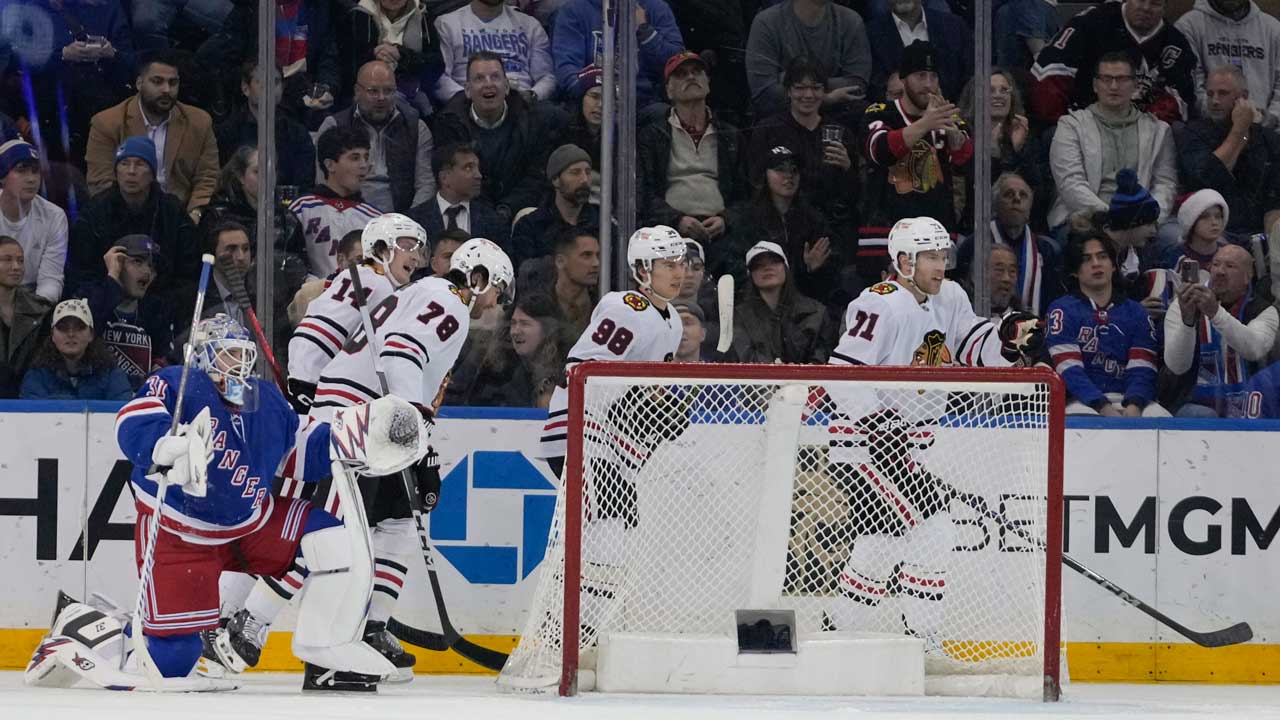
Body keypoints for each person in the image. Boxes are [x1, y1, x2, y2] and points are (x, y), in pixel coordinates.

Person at [43, 313, 427, 689]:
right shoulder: (178, 383)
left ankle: (324, 648)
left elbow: (296, 450)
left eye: (245, 354)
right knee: (172, 661)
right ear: (204, 355)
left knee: (331, 539)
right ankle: (86, 624)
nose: (240, 363)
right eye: (228, 353)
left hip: (252, 526)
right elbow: (133, 417)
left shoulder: (263, 400)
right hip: (183, 534)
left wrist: (349, 440)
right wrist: (161, 445)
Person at [217, 240, 512, 691]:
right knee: (330, 531)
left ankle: (352, 632)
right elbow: (400, 354)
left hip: (365, 414)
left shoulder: (426, 292)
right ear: (479, 278)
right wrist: (411, 433)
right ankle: (250, 622)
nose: (497, 304)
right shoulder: (450, 303)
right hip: (360, 417)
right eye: (498, 291)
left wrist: (416, 438)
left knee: (365, 528)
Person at [820, 216, 1042, 649]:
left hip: (906, 448)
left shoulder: (950, 297)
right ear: (903, 262)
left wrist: (1008, 342)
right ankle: (924, 639)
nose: (940, 265)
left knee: (880, 543)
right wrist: (876, 423)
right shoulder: (878, 303)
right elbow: (840, 373)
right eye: (930, 258)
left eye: (943, 256)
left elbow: (975, 348)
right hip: (863, 447)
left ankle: (838, 632)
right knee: (935, 529)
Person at [536, 225, 687, 478]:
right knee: (611, 518)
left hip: (615, 446)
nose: (679, 272)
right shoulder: (626, 309)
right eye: (669, 265)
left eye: (681, 263)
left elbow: (649, 389)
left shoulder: (674, 320)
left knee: (617, 517)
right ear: (643, 271)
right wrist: (632, 403)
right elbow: (579, 370)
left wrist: (659, 404)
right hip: (581, 434)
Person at [286, 214, 427, 414]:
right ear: (380, 248)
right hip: (320, 386)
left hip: (301, 374)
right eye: (406, 246)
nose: (415, 257)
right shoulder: (381, 286)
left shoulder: (352, 274)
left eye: (417, 249)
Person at [65, 137, 201, 318]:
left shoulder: (172, 211)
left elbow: (188, 273)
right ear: (116, 171)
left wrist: (157, 307)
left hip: (162, 309)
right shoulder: (95, 211)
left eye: (140, 164)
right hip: (105, 307)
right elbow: (81, 273)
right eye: (124, 164)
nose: (131, 171)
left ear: (153, 173)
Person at [1047, 53, 1178, 234]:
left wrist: (1148, 219)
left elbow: (1165, 185)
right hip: (1084, 219)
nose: (1114, 86)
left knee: (1172, 237)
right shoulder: (1071, 125)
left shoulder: (1159, 130)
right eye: (1106, 79)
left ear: (1135, 85)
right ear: (1095, 85)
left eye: (1122, 79)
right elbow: (1070, 183)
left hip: (1141, 222)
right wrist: (1113, 218)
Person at [85, 51, 221, 215]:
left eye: (173, 83)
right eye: (157, 82)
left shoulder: (199, 122)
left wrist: (196, 213)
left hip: (183, 215)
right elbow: (101, 182)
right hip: (125, 215)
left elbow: (208, 177)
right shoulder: (107, 123)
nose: (166, 89)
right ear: (139, 83)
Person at [1046, 233, 1166, 416]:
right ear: (1074, 270)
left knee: (1162, 419)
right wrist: (1103, 407)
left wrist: (1135, 405)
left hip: (1132, 400)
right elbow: (1069, 370)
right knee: (1082, 421)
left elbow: (1143, 367)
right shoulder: (1061, 310)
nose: (1096, 264)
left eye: (1102, 257)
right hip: (1080, 402)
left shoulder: (1136, 312)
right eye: (1086, 259)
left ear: (1113, 265)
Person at [861, 41, 972, 231]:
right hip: (885, 231)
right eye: (920, 76)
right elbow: (879, 151)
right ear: (903, 79)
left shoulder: (949, 119)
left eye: (933, 76)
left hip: (937, 231)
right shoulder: (880, 112)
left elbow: (970, 170)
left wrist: (956, 142)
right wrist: (926, 123)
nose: (928, 84)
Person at [432, 51, 553, 226]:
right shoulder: (449, 123)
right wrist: (489, 214)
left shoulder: (531, 120)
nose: (488, 84)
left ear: (506, 86)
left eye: (495, 77)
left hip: (518, 209)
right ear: (467, 90)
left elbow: (535, 178)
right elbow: (455, 180)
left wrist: (507, 208)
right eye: (479, 78)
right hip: (471, 209)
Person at [1030, 0, 1197, 125]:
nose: (1146, 8)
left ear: (1165, 5)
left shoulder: (1176, 44)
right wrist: (1067, 122)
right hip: (1081, 122)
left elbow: (1183, 100)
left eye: (1154, 2)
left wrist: (1142, 125)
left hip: (1142, 131)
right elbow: (1048, 72)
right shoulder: (1092, 22)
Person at [638, 52, 743, 246]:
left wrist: (725, 219)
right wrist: (676, 220)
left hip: (722, 234)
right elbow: (644, 194)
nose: (691, 77)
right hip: (669, 233)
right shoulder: (652, 135)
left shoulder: (730, 134)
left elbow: (746, 195)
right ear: (669, 91)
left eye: (697, 71)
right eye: (681, 74)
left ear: (708, 83)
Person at [746, 57, 858, 239]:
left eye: (816, 88)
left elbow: (856, 194)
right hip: (780, 227)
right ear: (788, 91)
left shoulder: (841, 134)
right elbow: (754, 184)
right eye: (800, 88)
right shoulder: (767, 130)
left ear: (825, 92)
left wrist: (847, 167)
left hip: (832, 227)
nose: (808, 95)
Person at [1163, 244, 1278, 417]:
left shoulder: (1265, 310)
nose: (1220, 271)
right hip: (1190, 405)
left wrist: (1215, 313)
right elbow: (1177, 366)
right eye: (1216, 264)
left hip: (1253, 408)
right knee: (1202, 414)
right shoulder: (1182, 304)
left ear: (1248, 276)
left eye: (1230, 266)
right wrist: (1188, 323)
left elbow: (1254, 349)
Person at [727, 146, 841, 308]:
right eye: (780, 169)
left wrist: (811, 270)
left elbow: (831, 275)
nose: (788, 176)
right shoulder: (747, 218)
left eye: (794, 170)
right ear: (764, 174)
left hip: (805, 303)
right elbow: (735, 267)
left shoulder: (813, 219)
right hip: (758, 303)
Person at [1176, 66, 1280, 242]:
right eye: (1210, 94)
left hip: (1259, 230)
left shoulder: (1269, 140)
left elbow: (1275, 198)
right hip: (1208, 231)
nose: (1215, 101)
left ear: (1244, 97)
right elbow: (1207, 178)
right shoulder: (1193, 133)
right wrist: (1239, 129)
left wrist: (1273, 241)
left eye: (1222, 93)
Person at [317, 61, 436, 214]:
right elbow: (325, 184)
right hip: (347, 216)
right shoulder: (334, 126)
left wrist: (406, 222)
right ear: (357, 92)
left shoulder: (416, 128)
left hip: (401, 220)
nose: (381, 98)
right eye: (373, 91)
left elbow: (426, 185)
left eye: (388, 91)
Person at [744, 0, 872, 120]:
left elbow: (857, 85)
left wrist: (789, 80)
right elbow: (764, 93)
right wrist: (825, 98)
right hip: (781, 122)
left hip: (838, 120)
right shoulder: (766, 22)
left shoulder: (850, 20)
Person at [955, 173, 1060, 317]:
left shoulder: (1046, 249)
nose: (1016, 199)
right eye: (1008, 194)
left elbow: (1052, 298)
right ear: (995, 204)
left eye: (1023, 195)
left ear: (1030, 206)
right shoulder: (974, 245)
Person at [552, 0, 684, 113]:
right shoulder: (574, 10)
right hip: (592, 100)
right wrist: (592, 92)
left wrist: (644, 30)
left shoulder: (655, 7)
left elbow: (676, 63)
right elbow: (567, 69)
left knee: (661, 113)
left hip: (642, 102)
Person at [79, 234, 174, 389]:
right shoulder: (90, 297)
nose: (147, 272)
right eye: (138, 262)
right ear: (116, 263)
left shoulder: (156, 310)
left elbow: (164, 359)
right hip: (96, 397)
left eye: (151, 266)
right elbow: (85, 334)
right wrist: (112, 277)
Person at [290, 126, 382, 280]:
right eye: (355, 158)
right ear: (330, 165)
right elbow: (287, 261)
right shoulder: (301, 208)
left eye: (366, 157)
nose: (364, 165)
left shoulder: (376, 219)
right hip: (312, 298)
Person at [956, 69, 1044, 233]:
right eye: (990, 90)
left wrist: (1015, 150)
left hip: (1023, 227)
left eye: (1004, 90)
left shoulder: (1025, 135)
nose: (998, 95)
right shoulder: (962, 135)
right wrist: (994, 153)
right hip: (975, 228)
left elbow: (1037, 191)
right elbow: (973, 190)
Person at [444, 292, 566, 407]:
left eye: (525, 323)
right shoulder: (495, 369)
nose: (516, 331)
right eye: (513, 323)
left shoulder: (565, 370)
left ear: (546, 331)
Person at [1175, 0, 1280, 129]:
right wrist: (1223, 115)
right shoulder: (1189, 26)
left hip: (1265, 132)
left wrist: (1272, 117)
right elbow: (1191, 87)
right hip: (1209, 133)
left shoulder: (1273, 29)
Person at [214, 59, 316, 190]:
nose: (269, 88)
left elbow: (304, 184)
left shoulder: (297, 133)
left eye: (275, 82)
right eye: (261, 82)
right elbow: (223, 180)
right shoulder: (227, 132)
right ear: (245, 88)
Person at [731, 240, 837, 364]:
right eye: (758, 265)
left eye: (774, 262)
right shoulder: (738, 316)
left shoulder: (817, 313)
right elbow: (743, 356)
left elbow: (823, 357)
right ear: (750, 275)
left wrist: (798, 372)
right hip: (759, 382)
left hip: (807, 382)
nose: (767, 267)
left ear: (785, 268)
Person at [435, 0, 556, 104]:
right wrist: (470, 99)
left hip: (523, 106)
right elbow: (439, 80)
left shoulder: (530, 25)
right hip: (467, 105)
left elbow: (546, 77)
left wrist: (532, 95)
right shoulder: (447, 24)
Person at [510, 144, 601, 274]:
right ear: (555, 180)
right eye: (575, 173)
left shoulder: (602, 223)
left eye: (587, 172)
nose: (584, 180)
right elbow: (527, 277)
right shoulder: (531, 226)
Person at [20, 298, 132, 400]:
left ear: (91, 334)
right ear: (52, 335)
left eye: (80, 327)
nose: (71, 334)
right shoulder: (37, 376)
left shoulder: (111, 373)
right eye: (62, 328)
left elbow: (123, 410)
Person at [0, 138, 68, 302]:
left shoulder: (54, 216)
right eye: (21, 170)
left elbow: (51, 280)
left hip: (31, 298)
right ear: (2, 177)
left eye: (35, 171)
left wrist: (32, 315)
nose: (31, 179)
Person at [866, 0, 973, 104]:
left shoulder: (954, 26)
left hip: (951, 112)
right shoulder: (871, 33)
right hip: (896, 117)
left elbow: (969, 75)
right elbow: (874, 86)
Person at [349, 0, 445, 114]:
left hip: (415, 91)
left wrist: (402, 56)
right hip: (370, 93)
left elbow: (437, 66)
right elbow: (349, 66)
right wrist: (375, 56)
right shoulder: (359, 15)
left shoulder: (422, 15)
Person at [407, 142, 507, 245]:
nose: (478, 175)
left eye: (477, 168)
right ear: (444, 177)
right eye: (468, 168)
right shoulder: (414, 221)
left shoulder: (493, 220)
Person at [0, 237, 52, 398]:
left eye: (20, 261)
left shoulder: (41, 310)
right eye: (7, 260)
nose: (16, 267)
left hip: (28, 398)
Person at [288, 230, 367, 326]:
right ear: (341, 260)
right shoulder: (308, 295)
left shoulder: (385, 293)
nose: (367, 267)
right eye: (360, 260)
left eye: (373, 261)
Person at [550, 67, 605, 203]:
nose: (601, 105)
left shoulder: (620, 136)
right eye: (594, 96)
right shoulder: (562, 129)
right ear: (581, 98)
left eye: (608, 98)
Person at [548, 228, 601, 339]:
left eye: (598, 256)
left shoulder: (603, 306)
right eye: (587, 255)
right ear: (560, 261)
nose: (596, 263)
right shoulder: (537, 307)